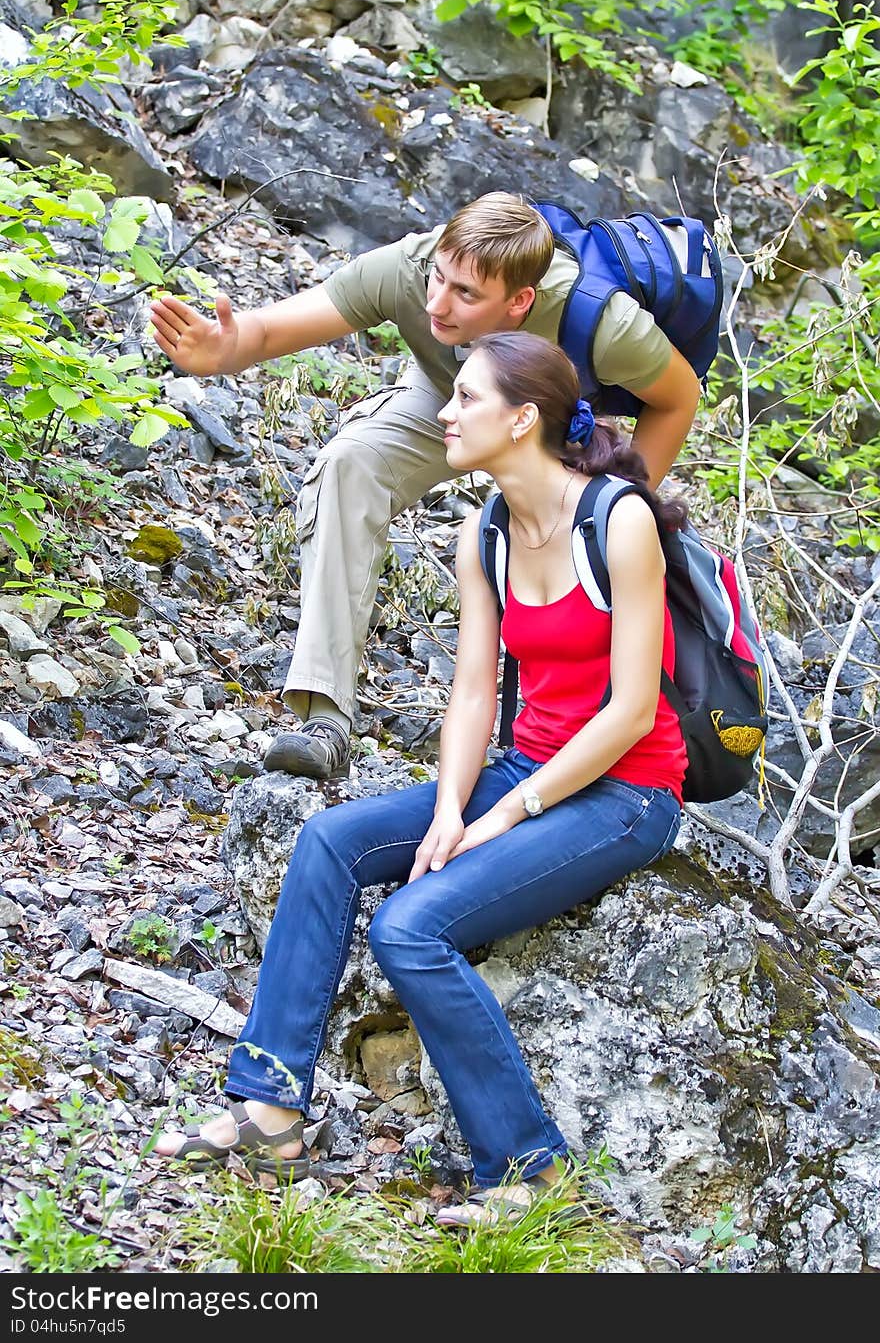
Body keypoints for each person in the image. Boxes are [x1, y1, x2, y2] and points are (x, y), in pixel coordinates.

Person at [153, 331, 687, 1226]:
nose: (444, 411)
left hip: (627, 795)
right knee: (327, 840)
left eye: (467, 398)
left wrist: (507, 814)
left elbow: (632, 711)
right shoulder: (487, 527)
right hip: (525, 764)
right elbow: (474, 688)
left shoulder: (618, 519)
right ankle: (271, 1108)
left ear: (523, 420)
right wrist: (447, 810)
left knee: (410, 926)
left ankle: (529, 1172)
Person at [149, 193, 700, 780]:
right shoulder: (408, 268)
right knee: (350, 463)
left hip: (552, 428)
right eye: (440, 277)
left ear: (520, 302)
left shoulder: (600, 318)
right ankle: (325, 716)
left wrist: (611, 513)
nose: (437, 303)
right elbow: (265, 332)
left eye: (466, 294)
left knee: (585, 555)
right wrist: (222, 349)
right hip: (447, 400)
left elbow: (678, 396)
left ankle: (574, 723)